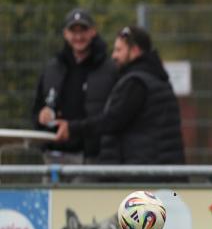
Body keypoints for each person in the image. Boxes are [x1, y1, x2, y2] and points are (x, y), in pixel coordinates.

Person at [54, 26, 186, 172]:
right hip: (159, 173)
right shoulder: (156, 78)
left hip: (143, 175)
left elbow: (112, 120)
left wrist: (73, 128)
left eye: (118, 50)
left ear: (134, 51)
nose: (114, 56)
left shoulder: (136, 83)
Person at [31, 8, 117, 164]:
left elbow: (114, 115)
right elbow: (36, 110)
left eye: (83, 30)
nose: (78, 37)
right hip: (53, 155)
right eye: (73, 31)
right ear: (65, 34)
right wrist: (41, 116)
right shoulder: (52, 68)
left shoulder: (109, 69)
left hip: (91, 157)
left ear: (93, 32)